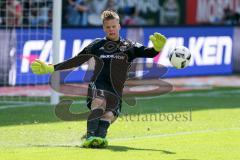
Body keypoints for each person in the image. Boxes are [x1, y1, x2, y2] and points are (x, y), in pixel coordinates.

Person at [30, 10, 166, 148]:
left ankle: (99, 139)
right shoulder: (96, 45)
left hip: (116, 90)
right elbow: (77, 61)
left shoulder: (129, 46)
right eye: (108, 27)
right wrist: (51, 68)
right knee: (99, 103)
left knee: (109, 116)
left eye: (113, 26)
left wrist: (157, 48)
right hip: (98, 83)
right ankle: (90, 136)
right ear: (103, 28)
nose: (111, 29)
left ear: (119, 26)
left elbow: (149, 53)